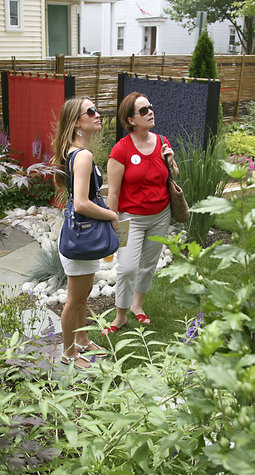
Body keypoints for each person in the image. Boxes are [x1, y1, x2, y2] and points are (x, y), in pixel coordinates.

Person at [103, 92, 177, 333]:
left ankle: (137, 305)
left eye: (151, 107)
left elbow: (172, 176)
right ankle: (120, 315)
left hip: (160, 216)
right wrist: (112, 220)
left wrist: (171, 161)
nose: (150, 112)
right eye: (143, 110)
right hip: (129, 219)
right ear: (131, 120)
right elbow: (113, 192)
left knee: (148, 264)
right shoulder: (120, 150)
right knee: (126, 268)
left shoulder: (162, 141)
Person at [51, 97, 117, 367]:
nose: (97, 114)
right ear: (77, 122)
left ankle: (81, 340)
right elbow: (81, 203)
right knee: (74, 299)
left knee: (83, 295)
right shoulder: (83, 155)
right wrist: (112, 214)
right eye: (90, 112)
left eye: (96, 110)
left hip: (79, 235)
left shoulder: (73, 151)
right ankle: (68, 353)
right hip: (82, 237)